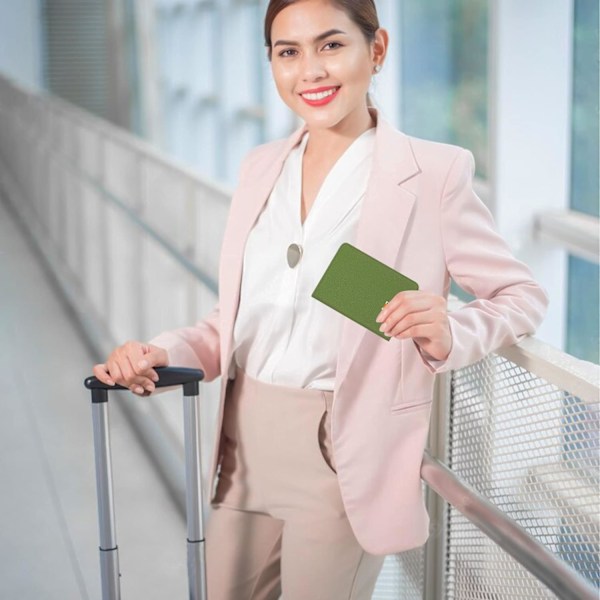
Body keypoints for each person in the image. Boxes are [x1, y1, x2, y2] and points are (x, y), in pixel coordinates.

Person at [93, 0, 549, 598]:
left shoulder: (433, 173)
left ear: (376, 49)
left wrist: (453, 331)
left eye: (331, 45)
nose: (310, 70)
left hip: (343, 456)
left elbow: (521, 294)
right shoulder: (261, 168)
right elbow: (232, 323)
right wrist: (161, 350)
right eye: (289, 52)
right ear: (273, 64)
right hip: (242, 450)